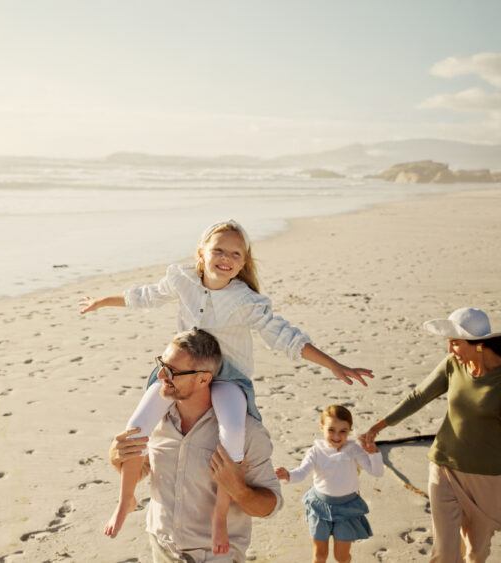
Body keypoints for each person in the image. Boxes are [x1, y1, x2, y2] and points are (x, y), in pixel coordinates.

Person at [81, 219, 373, 552]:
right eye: (218, 249)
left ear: (243, 262)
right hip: (180, 373)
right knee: (134, 430)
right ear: (201, 254)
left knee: (233, 435)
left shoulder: (245, 300)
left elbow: (285, 336)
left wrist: (334, 364)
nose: (226, 257)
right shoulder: (183, 280)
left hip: (228, 377)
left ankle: (219, 517)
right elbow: (145, 296)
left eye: (236, 253)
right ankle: (125, 502)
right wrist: (102, 301)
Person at [109, 328, 282, 562]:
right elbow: (142, 470)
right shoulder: (156, 421)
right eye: (162, 363)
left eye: (173, 371)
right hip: (162, 548)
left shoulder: (246, 432)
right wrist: (116, 457)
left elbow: (270, 506)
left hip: (215, 555)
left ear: (203, 378)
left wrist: (239, 489)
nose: (161, 375)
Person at [360, 307, 501, 563]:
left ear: (478, 345)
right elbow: (419, 396)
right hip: (445, 466)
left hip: (487, 478)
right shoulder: (453, 365)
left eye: (455, 343)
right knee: (445, 554)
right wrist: (379, 426)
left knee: (476, 553)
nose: (450, 350)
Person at [275, 405, 383, 563]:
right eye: (331, 430)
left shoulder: (354, 449)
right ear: (322, 427)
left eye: (343, 431)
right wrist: (287, 474)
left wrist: (373, 453)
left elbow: (377, 472)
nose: (337, 436)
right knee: (320, 555)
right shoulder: (315, 451)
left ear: (350, 430)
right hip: (320, 507)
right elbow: (301, 473)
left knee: (342, 556)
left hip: (348, 508)